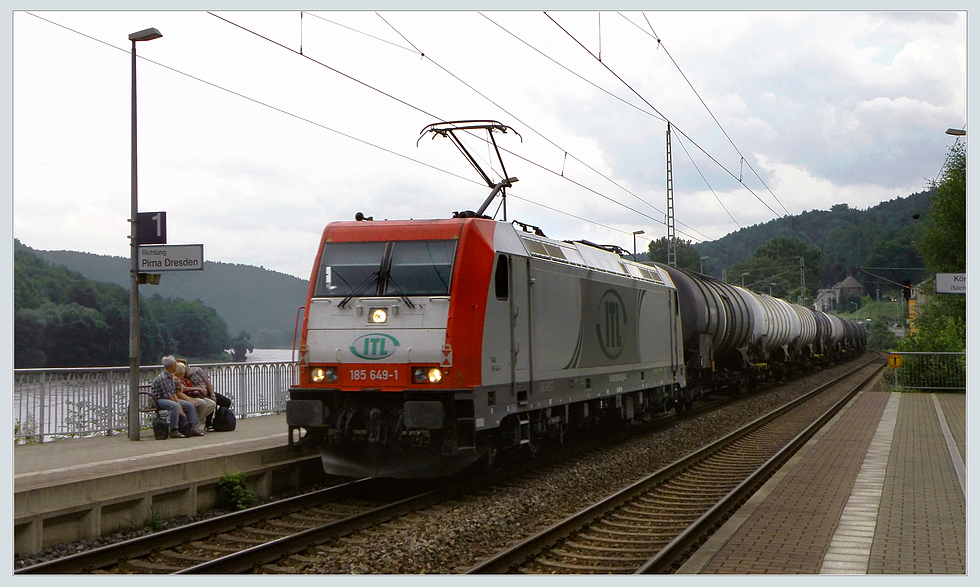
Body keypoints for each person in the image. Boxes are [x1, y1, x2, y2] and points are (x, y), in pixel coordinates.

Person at [150, 355, 204, 438]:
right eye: (175, 363)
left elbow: (173, 393)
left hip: (168, 398)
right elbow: (168, 396)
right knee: (174, 406)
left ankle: (193, 427)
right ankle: (173, 430)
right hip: (159, 399)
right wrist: (179, 407)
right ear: (171, 366)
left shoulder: (170, 376)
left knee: (189, 405)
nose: (177, 364)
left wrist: (179, 404)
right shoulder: (163, 378)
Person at [178, 358, 232, 430]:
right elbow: (184, 389)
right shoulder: (180, 377)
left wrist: (212, 394)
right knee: (207, 403)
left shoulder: (197, 371)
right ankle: (207, 423)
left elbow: (208, 382)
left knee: (226, 401)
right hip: (195, 394)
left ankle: (220, 421)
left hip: (206, 391)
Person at [174, 362, 214, 435]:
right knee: (197, 404)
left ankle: (197, 421)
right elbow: (178, 393)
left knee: (211, 403)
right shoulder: (176, 380)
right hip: (180, 398)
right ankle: (195, 425)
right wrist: (190, 399)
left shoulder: (182, 378)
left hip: (191, 395)